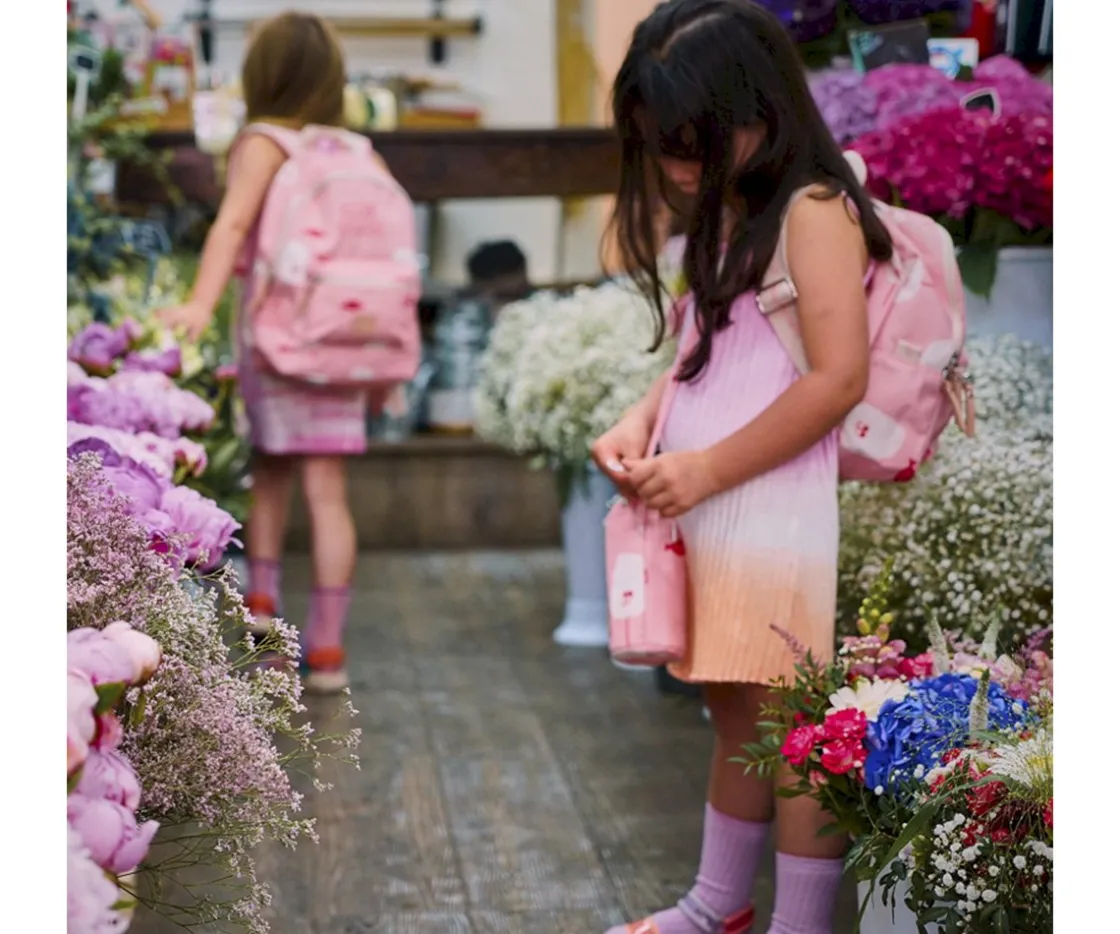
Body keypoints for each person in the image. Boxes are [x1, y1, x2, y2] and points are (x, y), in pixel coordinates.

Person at [590, 3, 893, 933]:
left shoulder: (813, 211)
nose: (679, 171)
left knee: (796, 735)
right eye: (662, 149)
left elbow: (838, 380)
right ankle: (718, 903)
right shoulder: (733, 210)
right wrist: (640, 421)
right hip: (710, 494)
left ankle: (797, 922)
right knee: (735, 712)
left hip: (764, 503)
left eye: (693, 146)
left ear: (759, 113)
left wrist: (710, 468)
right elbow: (698, 344)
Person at [159, 12, 372, 695]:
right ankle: (330, 652)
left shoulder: (263, 141)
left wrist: (196, 304)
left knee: (271, 477)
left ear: (263, 75)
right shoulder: (345, 145)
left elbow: (232, 225)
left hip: (279, 342)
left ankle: (267, 636)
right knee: (328, 493)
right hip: (342, 340)